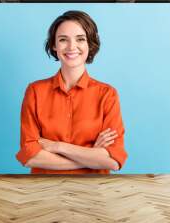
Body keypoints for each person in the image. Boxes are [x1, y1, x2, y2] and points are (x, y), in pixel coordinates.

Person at [16, 10, 127, 174]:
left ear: (90, 43)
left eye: (80, 39)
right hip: (44, 190)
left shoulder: (107, 94)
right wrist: (92, 157)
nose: (71, 47)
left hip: (94, 191)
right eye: (63, 40)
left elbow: (113, 160)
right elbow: (30, 156)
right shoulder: (35, 91)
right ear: (54, 45)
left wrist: (57, 146)